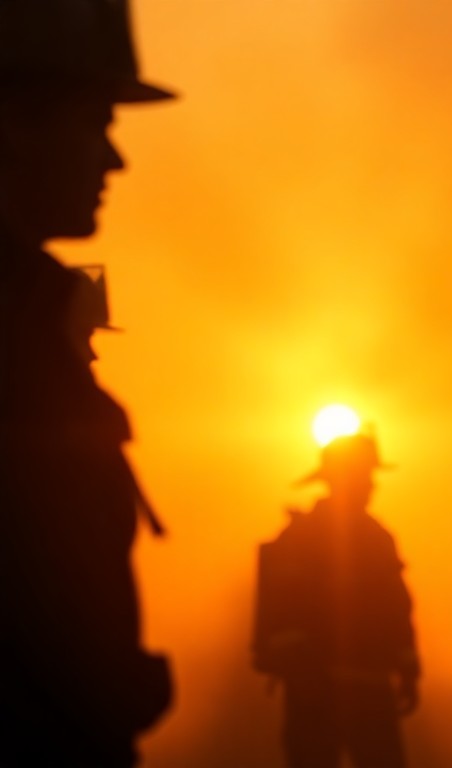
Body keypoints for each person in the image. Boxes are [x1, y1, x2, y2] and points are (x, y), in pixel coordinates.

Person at [0, 1, 174, 764]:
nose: (115, 160)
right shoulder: (17, 338)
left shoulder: (32, 320)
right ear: (15, 120)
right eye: (96, 121)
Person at [253, 433, 421, 768]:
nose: (372, 485)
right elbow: (287, 615)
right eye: (365, 476)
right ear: (344, 480)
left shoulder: (376, 539)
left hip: (356, 691)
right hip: (320, 692)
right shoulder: (306, 539)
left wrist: (408, 666)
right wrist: (305, 673)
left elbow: (396, 609)